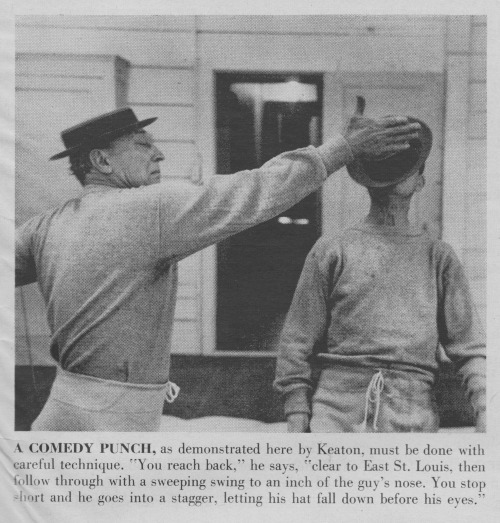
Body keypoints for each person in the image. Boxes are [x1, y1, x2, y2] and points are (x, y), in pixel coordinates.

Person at [16, 105, 420, 431]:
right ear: (101, 160)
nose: (158, 153)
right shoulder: (146, 209)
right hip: (114, 419)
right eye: (143, 145)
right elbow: (255, 189)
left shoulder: (45, 224)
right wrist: (340, 149)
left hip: (60, 408)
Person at [274, 105, 486, 433]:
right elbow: (297, 340)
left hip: (412, 410)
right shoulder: (332, 250)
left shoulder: (438, 257)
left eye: (408, 166)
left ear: (421, 180)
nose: (398, 174)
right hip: (337, 409)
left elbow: (469, 347)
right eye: (386, 165)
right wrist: (296, 412)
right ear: (367, 179)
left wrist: (486, 408)